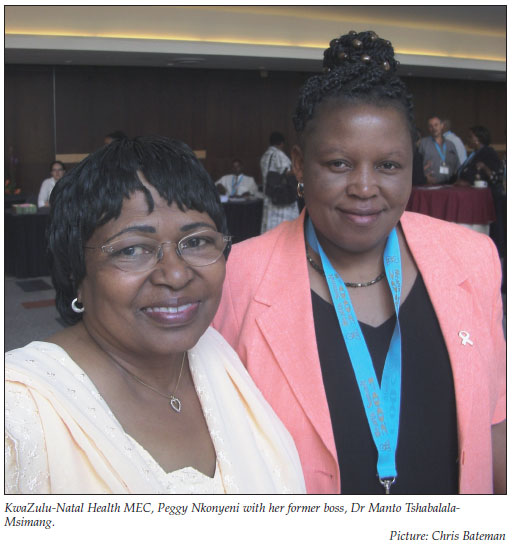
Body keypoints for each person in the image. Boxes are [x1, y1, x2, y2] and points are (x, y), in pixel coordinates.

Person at [213, 31, 506, 495]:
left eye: (389, 166)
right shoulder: (237, 277)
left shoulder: (472, 259)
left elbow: (495, 423)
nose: (365, 188)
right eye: (339, 164)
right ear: (299, 165)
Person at [5, 136, 305, 495]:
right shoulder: (18, 414)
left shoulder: (215, 352)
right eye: (133, 250)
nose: (176, 275)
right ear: (75, 271)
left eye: (196, 241)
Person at [456, 125, 506, 258]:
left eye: (470, 137)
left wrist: (471, 180)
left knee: (495, 233)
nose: (468, 139)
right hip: (475, 199)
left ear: (478, 139)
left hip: (491, 200)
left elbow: (493, 176)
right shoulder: (474, 154)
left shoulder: (488, 153)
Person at [260, 131, 299, 232]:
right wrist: (298, 169)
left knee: (269, 229)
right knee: (283, 230)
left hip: (270, 196)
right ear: (282, 143)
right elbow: (287, 173)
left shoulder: (265, 156)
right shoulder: (279, 155)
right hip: (282, 200)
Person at [418, 115, 459, 185]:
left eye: (436, 125)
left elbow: (457, 166)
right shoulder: (423, 143)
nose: (434, 128)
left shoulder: (450, 145)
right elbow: (416, 166)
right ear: (428, 128)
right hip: (429, 185)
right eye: (430, 126)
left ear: (442, 126)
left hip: (449, 185)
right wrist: (423, 178)